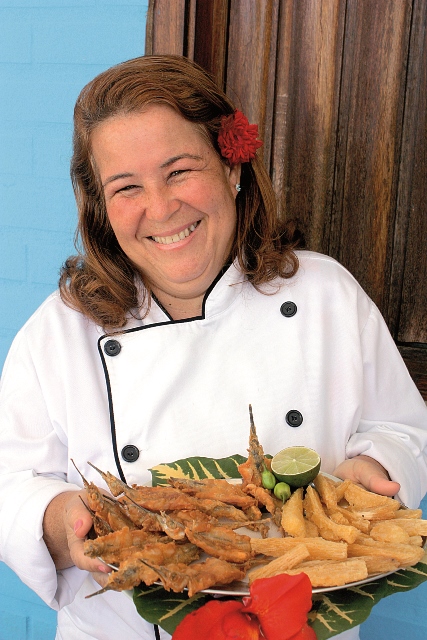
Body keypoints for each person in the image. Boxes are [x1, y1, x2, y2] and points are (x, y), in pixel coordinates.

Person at [0, 54, 426, 640]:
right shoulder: (57, 333)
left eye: (179, 171)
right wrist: (56, 522)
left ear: (232, 167)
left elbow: (403, 426)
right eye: (127, 187)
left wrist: (372, 467)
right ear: (101, 206)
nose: (162, 207)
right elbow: (9, 482)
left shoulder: (326, 293)